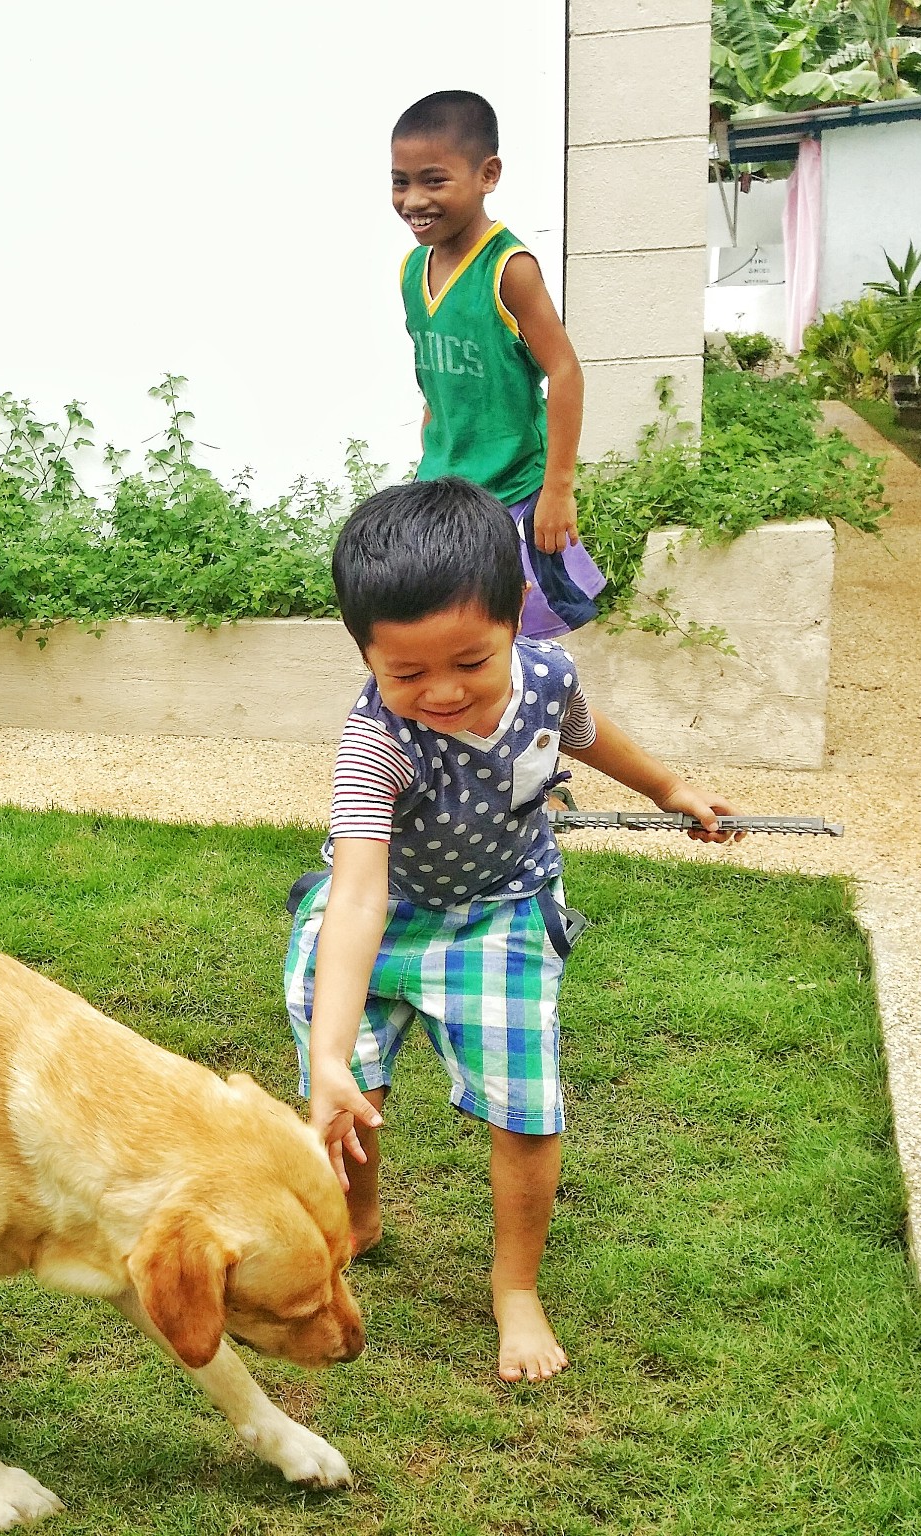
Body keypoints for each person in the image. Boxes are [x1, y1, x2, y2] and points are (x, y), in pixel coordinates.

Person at [287, 478, 740, 1383]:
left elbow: (582, 733)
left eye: (470, 661)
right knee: (352, 1092)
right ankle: (361, 1217)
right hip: (380, 918)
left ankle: (516, 1288)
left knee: (527, 1113)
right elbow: (360, 897)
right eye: (407, 673)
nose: (444, 691)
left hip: (501, 914)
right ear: (366, 657)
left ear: (515, 623)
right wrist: (329, 1055)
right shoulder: (374, 743)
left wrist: (665, 788)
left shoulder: (546, 674)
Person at [393, 89, 606, 639]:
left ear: (488, 174)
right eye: (401, 181)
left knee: (529, 637)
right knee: (450, 630)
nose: (413, 198)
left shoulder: (509, 269)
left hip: (515, 492)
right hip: (444, 491)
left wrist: (558, 489)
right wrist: (431, 440)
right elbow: (434, 374)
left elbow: (564, 371)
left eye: (434, 180)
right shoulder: (412, 270)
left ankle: (558, 722)